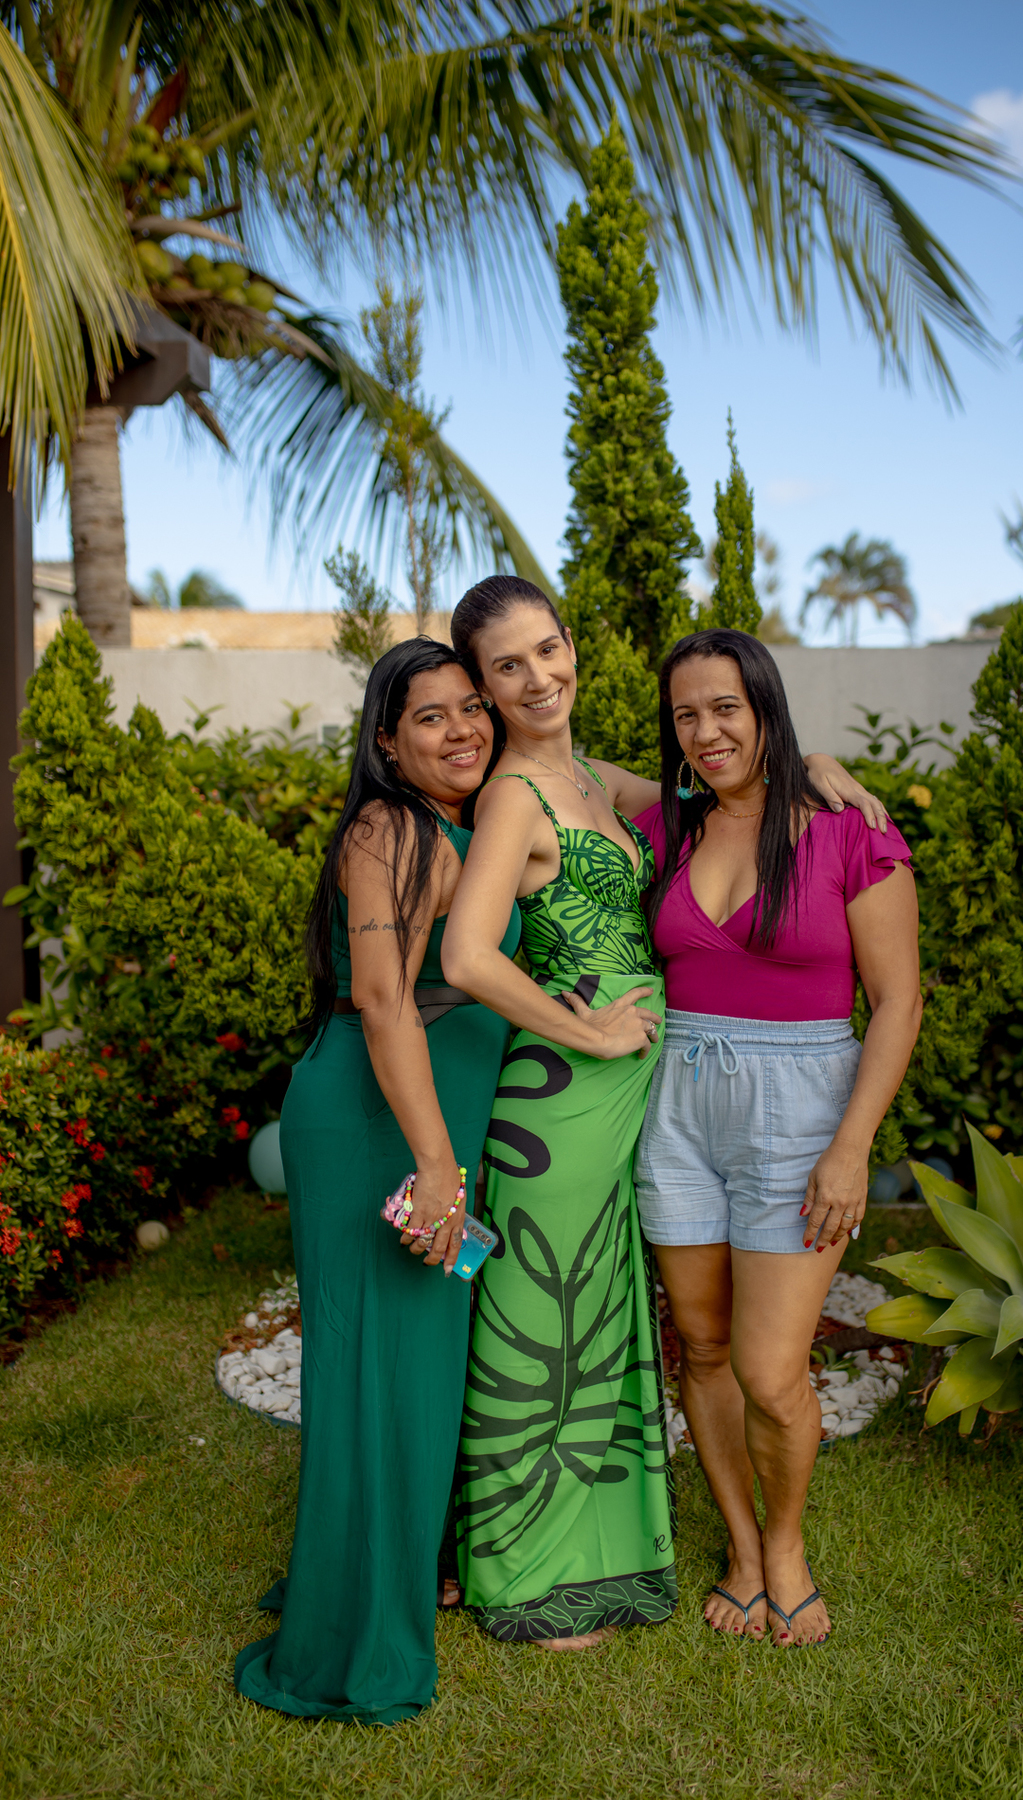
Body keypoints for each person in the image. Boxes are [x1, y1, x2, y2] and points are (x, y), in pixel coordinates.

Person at [441, 579, 891, 1651]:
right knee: (545, 1321)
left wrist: (818, 763)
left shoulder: (601, 781)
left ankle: (605, 1549)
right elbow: (465, 956)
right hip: (572, 1096)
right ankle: (527, 1569)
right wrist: (585, 1030)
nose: (536, 677)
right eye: (506, 667)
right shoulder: (514, 796)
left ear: (572, 646)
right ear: (485, 687)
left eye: (547, 649)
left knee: (599, 1319)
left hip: (656, 1100)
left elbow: (733, 771)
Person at [235, 639, 524, 1723]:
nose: (462, 729)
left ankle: (397, 1564)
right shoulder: (388, 829)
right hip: (383, 1125)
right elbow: (383, 996)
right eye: (430, 717)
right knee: (377, 1369)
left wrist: (810, 769)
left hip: (426, 1122)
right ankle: (354, 1633)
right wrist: (437, 1164)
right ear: (388, 745)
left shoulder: (466, 827)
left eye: (471, 707)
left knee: (414, 1367)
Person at [632, 628, 922, 1649]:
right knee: (704, 1346)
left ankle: (788, 1543)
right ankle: (745, 1549)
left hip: (802, 1115)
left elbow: (897, 1002)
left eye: (726, 708)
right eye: (685, 715)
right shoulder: (667, 827)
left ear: (767, 708)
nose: (705, 732)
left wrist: (851, 1148)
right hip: (678, 1110)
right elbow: (555, 764)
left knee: (768, 1370)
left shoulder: (849, 831)